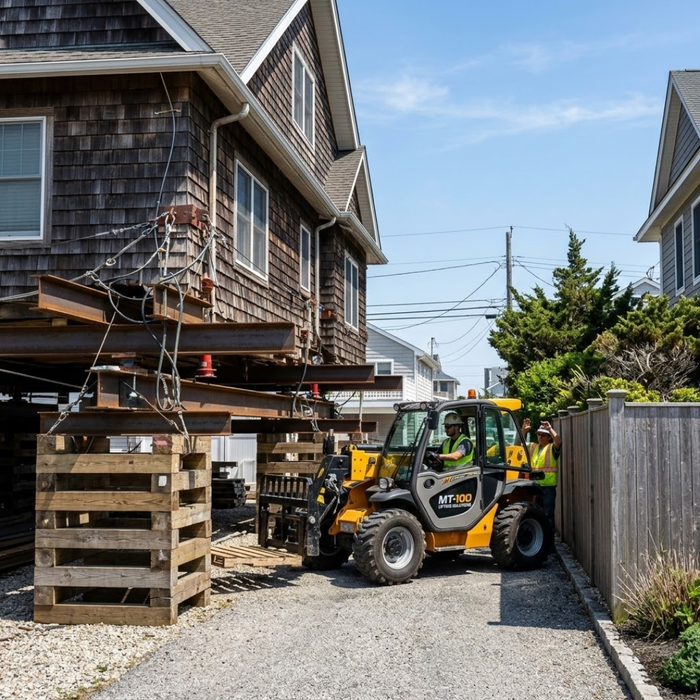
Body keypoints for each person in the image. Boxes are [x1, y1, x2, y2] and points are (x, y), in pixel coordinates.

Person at [521, 418, 562, 527]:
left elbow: (558, 441)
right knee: (534, 516)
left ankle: (550, 542)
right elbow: (518, 445)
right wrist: (523, 431)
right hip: (534, 487)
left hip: (548, 488)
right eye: (539, 434)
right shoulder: (533, 447)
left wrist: (550, 429)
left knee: (548, 515)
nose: (540, 437)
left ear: (549, 437)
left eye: (543, 435)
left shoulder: (551, 447)